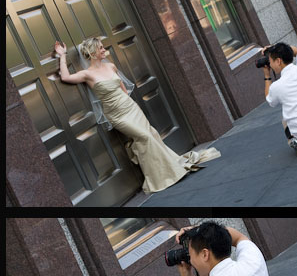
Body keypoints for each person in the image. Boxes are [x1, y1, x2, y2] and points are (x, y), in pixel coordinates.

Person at [53, 37, 220, 194]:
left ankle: (168, 169)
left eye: (103, 47)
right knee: (145, 137)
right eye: (100, 48)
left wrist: (130, 103)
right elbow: (66, 77)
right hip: (116, 114)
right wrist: (62, 55)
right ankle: (159, 176)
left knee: (151, 134)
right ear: (92, 52)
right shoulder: (87, 74)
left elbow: (123, 88)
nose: (104, 50)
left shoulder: (111, 66)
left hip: (131, 108)